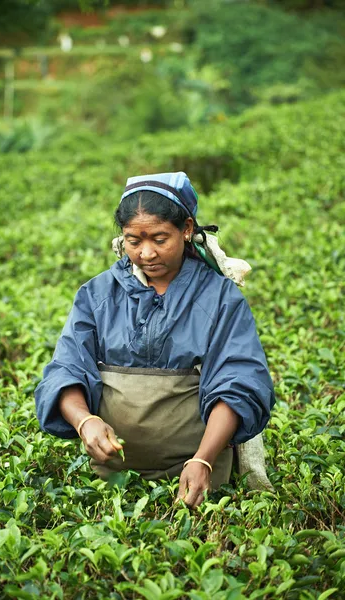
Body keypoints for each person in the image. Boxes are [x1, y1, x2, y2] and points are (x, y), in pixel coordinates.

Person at [35, 172, 275, 509]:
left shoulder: (220, 298)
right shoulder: (98, 294)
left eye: (160, 239)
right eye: (134, 241)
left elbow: (238, 381)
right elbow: (67, 368)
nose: (146, 253)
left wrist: (203, 460)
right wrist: (84, 421)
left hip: (200, 478)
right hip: (111, 481)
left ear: (187, 229)